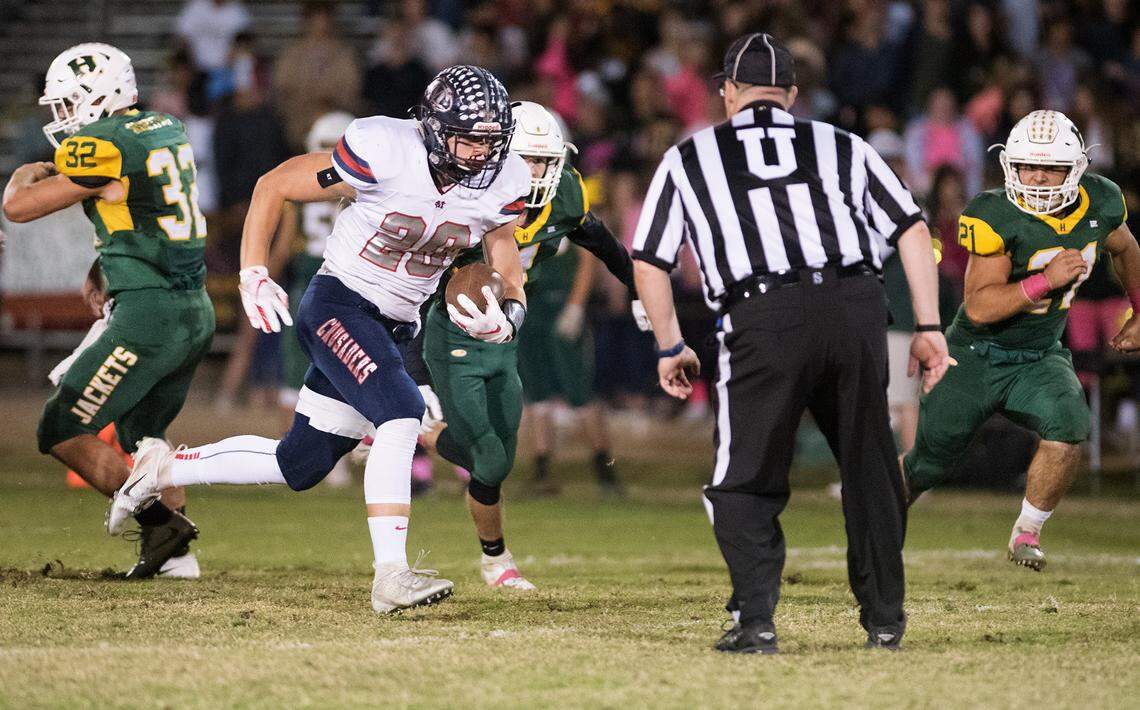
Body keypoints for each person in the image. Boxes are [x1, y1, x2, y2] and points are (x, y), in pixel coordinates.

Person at [110, 65, 533, 614]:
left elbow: (504, 252)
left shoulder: (504, 180)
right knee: (402, 414)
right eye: (471, 138)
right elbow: (274, 185)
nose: (483, 153)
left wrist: (508, 310)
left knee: (299, 465)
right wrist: (252, 272)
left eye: (492, 141)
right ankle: (391, 575)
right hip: (340, 303)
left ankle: (161, 468)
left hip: (399, 323)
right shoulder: (385, 148)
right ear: (433, 127)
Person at [631, 33, 948, 654]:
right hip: (856, 306)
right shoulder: (842, 145)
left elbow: (650, 261)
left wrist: (671, 345)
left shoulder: (690, 156)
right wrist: (930, 327)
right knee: (870, 468)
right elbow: (911, 226)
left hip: (764, 312)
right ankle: (885, 620)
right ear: (793, 96)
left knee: (742, 478)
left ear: (727, 94)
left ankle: (757, 620)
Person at [2, 44, 214, 578]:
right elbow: (140, 204)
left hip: (149, 315)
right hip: (192, 307)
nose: (63, 119)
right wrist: (107, 266)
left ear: (102, 95)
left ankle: (160, 523)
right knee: (145, 436)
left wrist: (26, 171)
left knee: (60, 425)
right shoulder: (163, 125)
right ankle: (177, 558)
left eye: (69, 104)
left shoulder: (104, 143)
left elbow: (18, 208)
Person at [419, 101, 644, 590]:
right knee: (490, 460)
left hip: (509, 331)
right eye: (525, 159)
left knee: (500, 455)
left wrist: (641, 289)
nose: (536, 171)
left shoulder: (564, 192)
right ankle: (497, 561)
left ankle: (415, 428)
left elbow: (600, 240)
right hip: (454, 329)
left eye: (544, 160)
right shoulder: (467, 190)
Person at [902, 110, 1140, 570]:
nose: (1035, 177)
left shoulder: (1101, 201)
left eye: (1048, 167)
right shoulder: (993, 212)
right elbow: (977, 306)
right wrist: (1043, 281)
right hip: (975, 353)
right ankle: (875, 523)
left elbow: (1126, 247)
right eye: (1027, 165)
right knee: (928, 465)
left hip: (1040, 354)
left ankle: (1026, 532)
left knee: (1070, 424)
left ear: (1075, 170)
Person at [269, 111, 357, 487]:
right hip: (348, 292)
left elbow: (284, 249)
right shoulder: (363, 189)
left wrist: (265, 280)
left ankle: (290, 457)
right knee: (342, 375)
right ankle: (332, 461)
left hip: (307, 290)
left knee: (294, 376)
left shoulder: (301, 193)